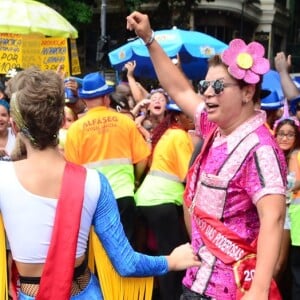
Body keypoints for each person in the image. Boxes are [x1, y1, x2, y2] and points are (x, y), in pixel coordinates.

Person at [0, 67, 201, 300]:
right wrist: (172, 260)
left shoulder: (3, 178)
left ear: (15, 126)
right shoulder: (93, 183)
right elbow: (126, 263)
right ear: (59, 122)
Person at [126, 12, 287, 299]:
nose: (208, 93)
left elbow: (273, 217)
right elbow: (179, 89)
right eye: (205, 86)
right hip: (196, 280)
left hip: (232, 291)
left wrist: (259, 289)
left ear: (248, 92)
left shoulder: (261, 148)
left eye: (218, 86)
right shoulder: (213, 127)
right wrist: (150, 39)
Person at [64, 71, 151, 244]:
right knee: (125, 250)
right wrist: (135, 181)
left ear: (84, 100)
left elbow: (72, 170)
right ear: (106, 98)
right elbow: (142, 159)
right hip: (123, 195)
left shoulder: (75, 129)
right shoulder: (125, 122)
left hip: (92, 200)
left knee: (99, 252)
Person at [135, 101, 194, 300]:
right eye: (188, 115)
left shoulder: (169, 133)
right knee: (173, 255)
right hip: (162, 201)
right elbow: (189, 174)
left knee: (159, 252)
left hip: (148, 199)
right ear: (177, 117)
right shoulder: (179, 135)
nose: (193, 118)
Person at [273, 101, 300, 299]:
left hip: (291, 218)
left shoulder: (296, 155)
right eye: (281, 133)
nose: (285, 138)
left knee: (281, 265)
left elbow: (294, 183)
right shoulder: (274, 156)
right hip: (276, 215)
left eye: (290, 134)